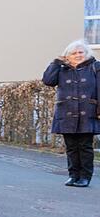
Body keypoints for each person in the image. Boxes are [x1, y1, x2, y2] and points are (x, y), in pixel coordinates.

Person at [42, 39, 100, 187]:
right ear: (67, 56)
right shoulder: (62, 69)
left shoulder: (95, 67)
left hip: (88, 112)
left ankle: (85, 177)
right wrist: (56, 62)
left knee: (85, 147)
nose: (78, 55)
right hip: (67, 112)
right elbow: (48, 80)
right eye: (74, 53)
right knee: (71, 147)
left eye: (81, 52)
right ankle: (73, 175)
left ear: (86, 54)